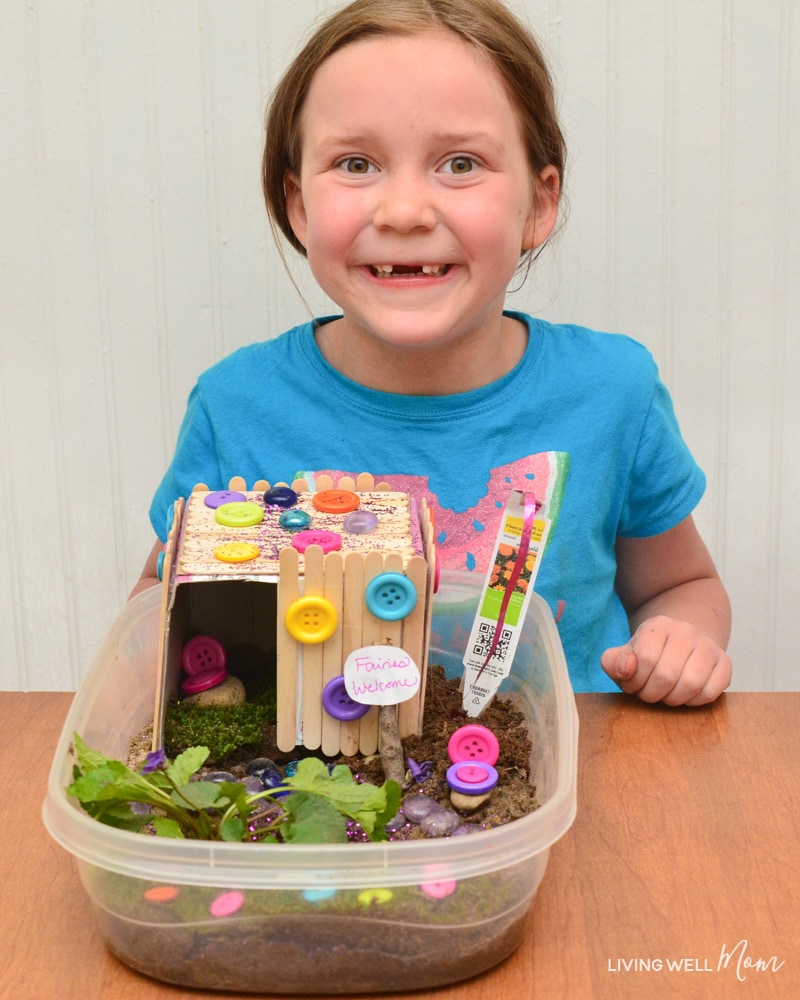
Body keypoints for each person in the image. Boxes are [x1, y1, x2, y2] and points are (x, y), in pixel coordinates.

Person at [132, 0, 732, 706]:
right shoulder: (235, 405)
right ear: (297, 205)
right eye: (356, 163)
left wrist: (681, 640)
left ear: (539, 204)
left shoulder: (613, 390)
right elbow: (158, 594)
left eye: (460, 163)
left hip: (580, 782)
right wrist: (160, 656)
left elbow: (679, 585)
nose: (406, 210)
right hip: (310, 790)